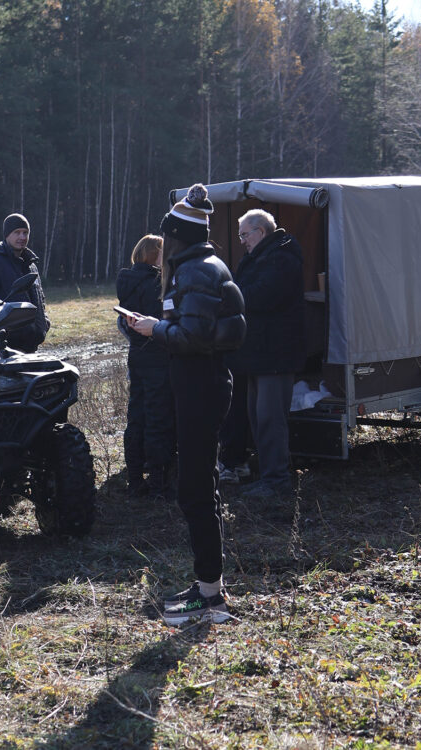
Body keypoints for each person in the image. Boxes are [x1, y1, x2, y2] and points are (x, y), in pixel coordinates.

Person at [127, 183, 245, 626]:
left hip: (200, 388)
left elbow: (192, 337)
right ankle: (208, 587)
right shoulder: (203, 265)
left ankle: (210, 598)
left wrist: (154, 329)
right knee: (199, 487)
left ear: (176, 235)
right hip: (202, 386)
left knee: (195, 491)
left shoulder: (195, 271)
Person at [230, 209, 306, 500]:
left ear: (260, 232)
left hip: (275, 354)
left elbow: (261, 295)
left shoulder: (281, 259)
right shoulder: (262, 257)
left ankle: (276, 480)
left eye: (244, 235)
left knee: (270, 419)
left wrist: (231, 293)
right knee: (256, 417)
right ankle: (268, 476)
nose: (242, 241)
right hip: (258, 354)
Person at [116, 234, 175, 499]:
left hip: (136, 355)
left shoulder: (126, 280)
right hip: (158, 357)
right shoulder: (156, 284)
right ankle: (159, 482)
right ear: (155, 254)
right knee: (157, 418)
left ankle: (134, 477)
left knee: (136, 416)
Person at [0, 213, 51, 353]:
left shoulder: (31, 265)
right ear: (7, 235)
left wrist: (44, 323)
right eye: (17, 232)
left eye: (25, 233)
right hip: (6, 349)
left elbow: (40, 299)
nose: (22, 237)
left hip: (31, 346)